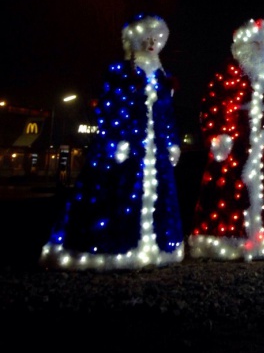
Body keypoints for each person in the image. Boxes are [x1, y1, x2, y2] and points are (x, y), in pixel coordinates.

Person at [39, 14, 184, 270]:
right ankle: (116, 248)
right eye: (147, 38)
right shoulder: (120, 71)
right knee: (118, 194)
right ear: (136, 40)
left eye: (156, 39)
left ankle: (158, 247)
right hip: (128, 145)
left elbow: (168, 113)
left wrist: (172, 141)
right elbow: (110, 108)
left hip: (157, 148)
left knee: (157, 197)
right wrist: (118, 138)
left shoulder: (163, 76)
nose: (152, 43)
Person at [188, 18, 264, 260]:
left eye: (262, 42)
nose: (258, 47)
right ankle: (230, 240)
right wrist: (217, 135)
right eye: (253, 42)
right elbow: (211, 104)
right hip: (237, 141)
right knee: (232, 191)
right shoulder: (229, 71)